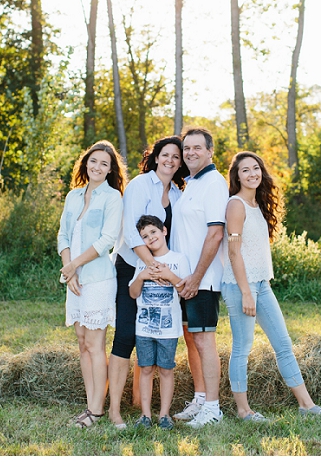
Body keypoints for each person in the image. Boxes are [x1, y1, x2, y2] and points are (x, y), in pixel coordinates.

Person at [221, 151, 321, 422]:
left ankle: (306, 404)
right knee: (242, 347)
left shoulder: (258, 205)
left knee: (283, 343)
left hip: (262, 284)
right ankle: (243, 410)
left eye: (255, 168)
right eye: (245, 170)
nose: (252, 174)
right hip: (239, 286)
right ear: (236, 176)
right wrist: (246, 292)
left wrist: (255, 288)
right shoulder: (235, 205)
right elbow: (234, 254)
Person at [108, 136, 188, 429]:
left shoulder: (178, 195)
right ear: (155, 157)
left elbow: (175, 237)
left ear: (180, 163)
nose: (170, 160)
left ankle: (139, 403)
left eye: (176, 157)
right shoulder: (141, 185)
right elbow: (131, 231)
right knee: (127, 335)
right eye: (165, 155)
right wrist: (151, 265)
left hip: (162, 273)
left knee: (153, 335)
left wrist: (172, 269)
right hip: (132, 266)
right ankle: (114, 409)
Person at [57, 140, 127, 428]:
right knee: (82, 344)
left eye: (104, 164)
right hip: (74, 281)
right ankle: (90, 404)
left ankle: (97, 411)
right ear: (86, 163)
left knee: (96, 344)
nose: (97, 167)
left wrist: (74, 265)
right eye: (94, 161)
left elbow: (106, 240)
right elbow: (63, 235)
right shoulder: (73, 196)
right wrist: (70, 271)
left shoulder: (113, 198)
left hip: (98, 280)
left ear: (110, 171)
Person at [171, 127, 228, 428]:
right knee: (191, 339)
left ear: (209, 152)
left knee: (204, 340)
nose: (191, 153)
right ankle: (200, 398)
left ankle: (213, 409)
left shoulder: (214, 183)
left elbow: (215, 234)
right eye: (187, 148)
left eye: (197, 147)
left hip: (202, 280)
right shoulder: (190, 184)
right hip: (184, 280)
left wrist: (196, 277)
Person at [128, 215, 191, 430]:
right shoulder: (142, 262)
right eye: (144, 236)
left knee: (166, 370)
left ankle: (164, 415)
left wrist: (169, 275)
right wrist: (142, 276)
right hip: (144, 327)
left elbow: (185, 290)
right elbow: (133, 293)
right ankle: (145, 415)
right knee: (145, 368)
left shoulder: (179, 259)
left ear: (164, 231)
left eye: (153, 232)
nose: (150, 238)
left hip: (168, 329)